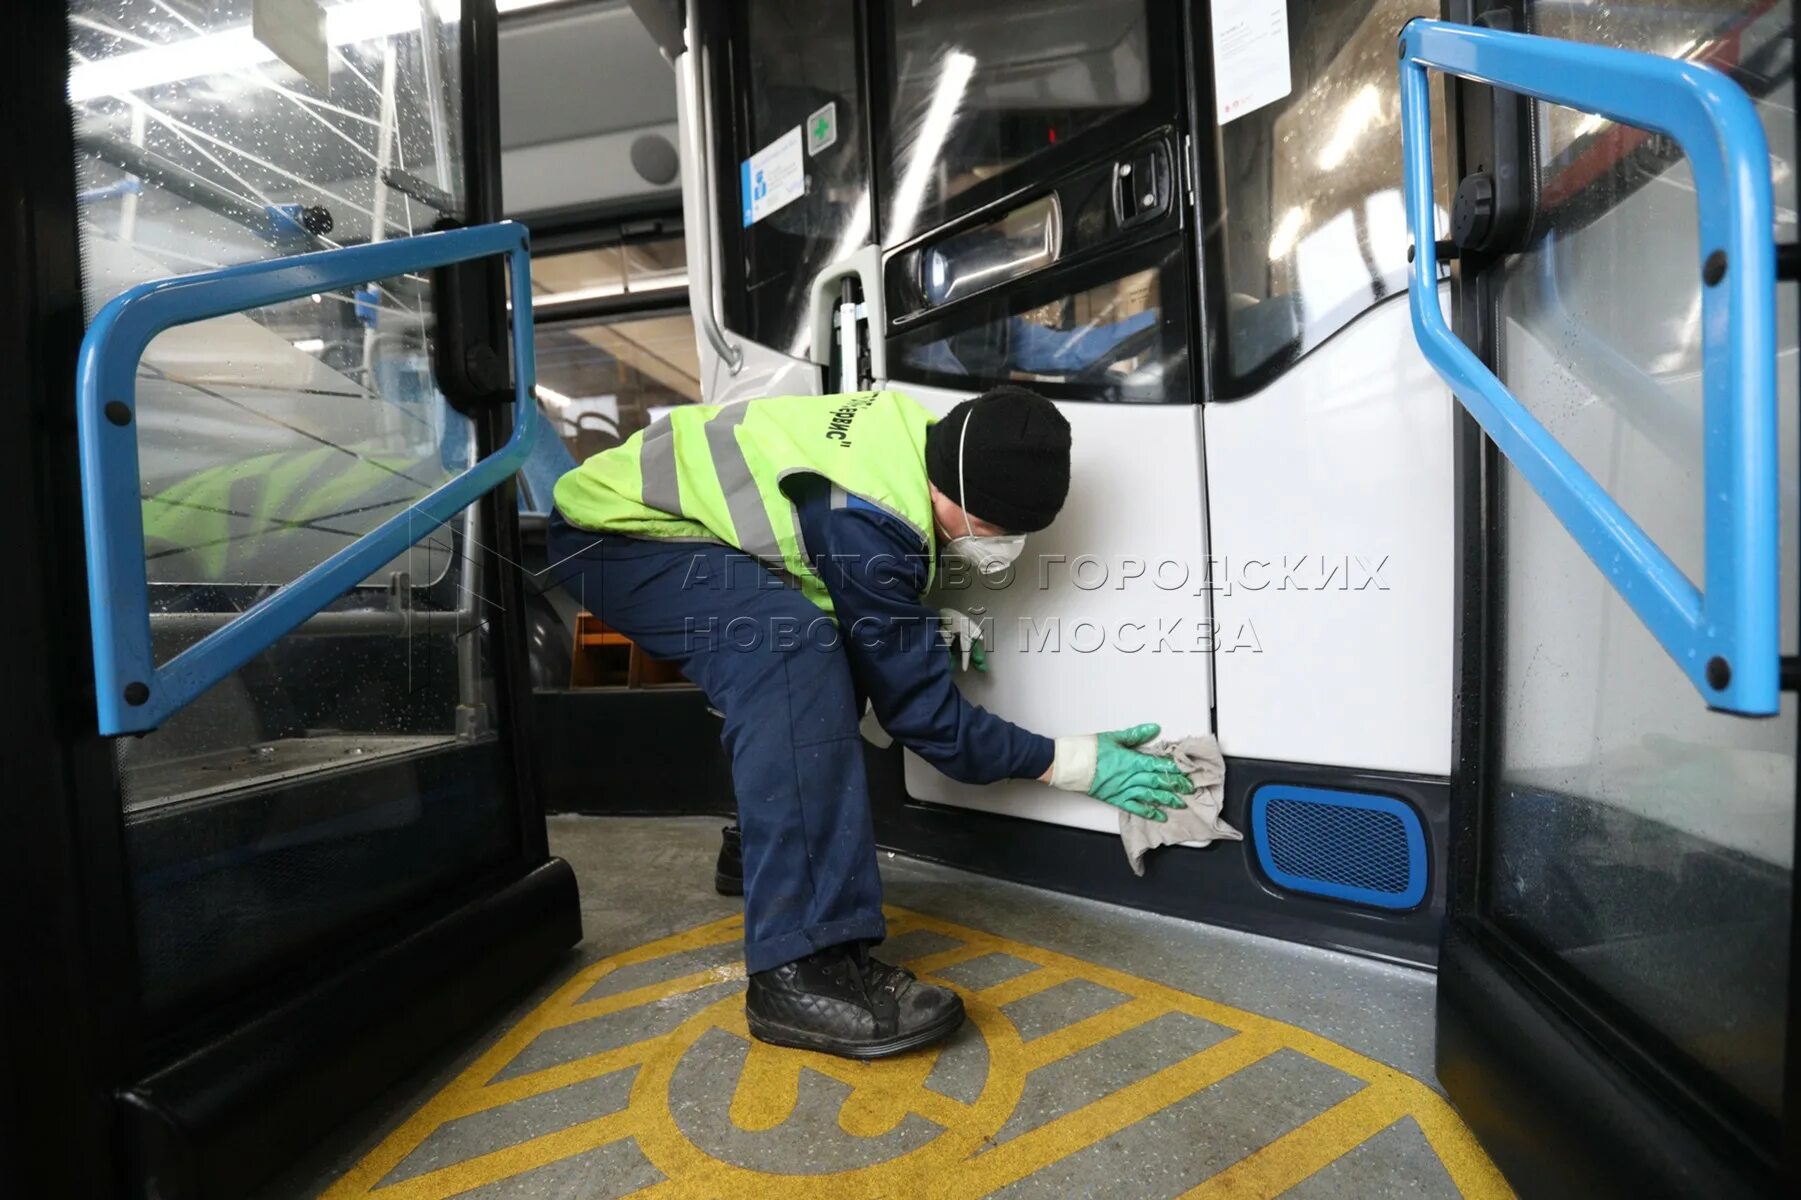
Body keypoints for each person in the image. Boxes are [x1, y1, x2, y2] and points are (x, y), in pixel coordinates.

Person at [548, 385, 1193, 1059]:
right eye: (1001, 532)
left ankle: (760, 853)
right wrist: (1077, 761)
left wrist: (908, 630)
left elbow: (835, 572)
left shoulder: (913, 444)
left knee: (829, 645)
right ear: (959, 498)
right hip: (614, 533)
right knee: (792, 652)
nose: (1004, 549)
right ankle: (803, 970)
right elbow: (929, 724)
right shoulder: (865, 520)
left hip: (663, 522)